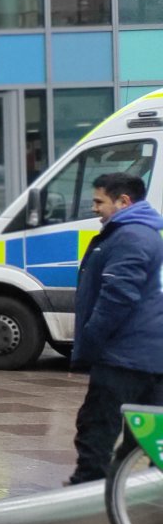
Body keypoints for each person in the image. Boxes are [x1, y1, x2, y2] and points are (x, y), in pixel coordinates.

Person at [67, 172, 163, 485]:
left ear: (123, 201)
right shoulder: (140, 232)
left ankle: (88, 492)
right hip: (143, 352)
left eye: (99, 201)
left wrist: (91, 341)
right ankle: (131, 498)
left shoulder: (130, 236)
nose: (94, 208)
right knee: (144, 433)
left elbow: (118, 297)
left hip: (124, 353)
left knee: (98, 425)